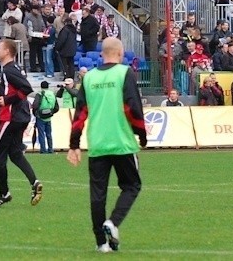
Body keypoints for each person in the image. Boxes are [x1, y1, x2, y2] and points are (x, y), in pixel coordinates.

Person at [68, 37, 147, 253]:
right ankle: (112, 223)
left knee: (97, 193)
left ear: (102, 53)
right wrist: (142, 134)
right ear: (120, 54)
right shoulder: (124, 73)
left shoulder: (90, 77)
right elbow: (133, 107)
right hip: (122, 142)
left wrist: (74, 144)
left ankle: (101, 243)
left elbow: (80, 113)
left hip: (98, 144)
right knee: (132, 186)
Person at [0, 39, 43, 208]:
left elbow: (26, 88)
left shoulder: (9, 70)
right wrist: (0, 97)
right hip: (20, 117)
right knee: (15, 153)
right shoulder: (15, 68)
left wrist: (6, 100)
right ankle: (34, 182)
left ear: (6, 51)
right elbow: (16, 89)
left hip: (10, 118)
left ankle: (4, 193)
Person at [32, 80, 59, 154]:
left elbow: (35, 105)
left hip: (40, 116)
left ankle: (43, 150)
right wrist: (51, 112)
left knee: (41, 134)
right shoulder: (52, 94)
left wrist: (35, 113)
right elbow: (56, 106)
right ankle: (50, 149)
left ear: (41, 87)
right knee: (49, 134)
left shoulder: (39, 93)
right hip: (49, 116)